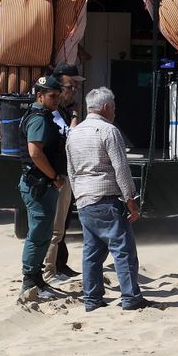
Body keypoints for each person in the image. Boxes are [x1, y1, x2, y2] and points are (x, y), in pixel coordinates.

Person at [66, 86, 147, 311]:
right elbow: (121, 168)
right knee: (123, 249)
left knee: (92, 253)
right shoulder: (109, 131)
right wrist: (130, 199)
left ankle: (92, 299)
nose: (115, 112)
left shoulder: (74, 134)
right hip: (106, 197)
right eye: (114, 108)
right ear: (106, 107)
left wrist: (78, 197)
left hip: (84, 199)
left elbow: (71, 170)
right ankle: (130, 296)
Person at [18, 76, 71, 302]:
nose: (57, 99)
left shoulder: (44, 116)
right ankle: (30, 281)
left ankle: (37, 278)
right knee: (39, 233)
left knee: (44, 231)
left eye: (58, 95)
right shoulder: (39, 119)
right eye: (52, 95)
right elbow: (35, 153)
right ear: (40, 96)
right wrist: (54, 177)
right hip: (39, 183)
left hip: (42, 183)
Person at [43, 64, 84, 286]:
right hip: (56, 176)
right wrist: (76, 114)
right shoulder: (54, 113)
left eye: (76, 87)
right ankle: (49, 271)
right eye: (71, 86)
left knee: (62, 225)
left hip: (63, 174)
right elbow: (73, 136)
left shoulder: (63, 111)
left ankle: (59, 265)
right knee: (55, 227)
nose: (73, 91)